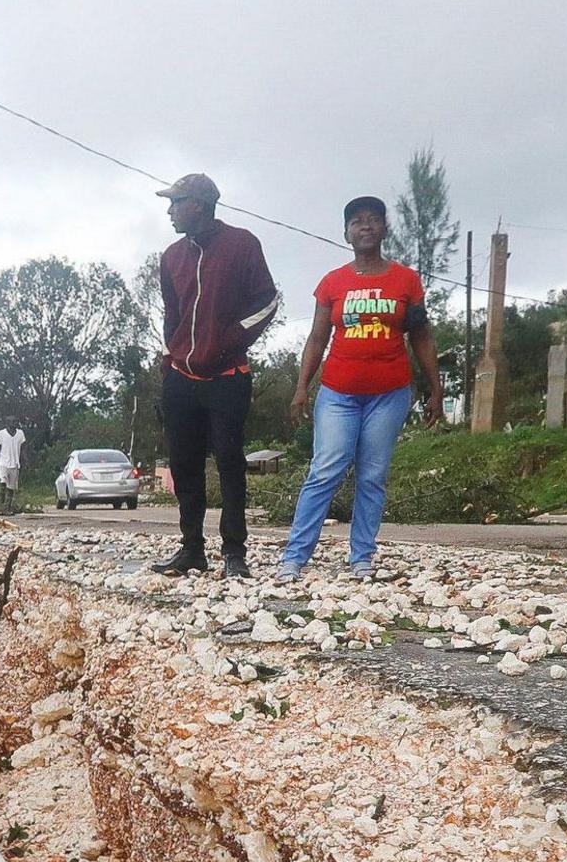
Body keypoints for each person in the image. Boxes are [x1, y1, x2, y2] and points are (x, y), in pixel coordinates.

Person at [279, 195, 442, 578]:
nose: (365, 226)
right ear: (346, 233)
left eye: (373, 219)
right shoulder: (332, 283)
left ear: (385, 228)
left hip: (390, 394)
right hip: (338, 393)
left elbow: (421, 336)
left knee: (372, 474)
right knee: (326, 469)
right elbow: (317, 339)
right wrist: (302, 388)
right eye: (357, 221)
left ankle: (362, 557)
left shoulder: (406, 280)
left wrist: (436, 388)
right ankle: (294, 557)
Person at [148, 173, 279, 580]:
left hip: (228, 374)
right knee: (184, 463)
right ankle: (191, 549)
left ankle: (234, 552)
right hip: (181, 376)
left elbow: (267, 301)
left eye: (177, 202)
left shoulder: (242, 244)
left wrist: (229, 341)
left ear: (199, 205)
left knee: (229, 462)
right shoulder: (170, 256)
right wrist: (173, 353)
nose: (169, 211)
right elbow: (173, 313)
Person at [0, 425, 26, 509]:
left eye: (15, 421)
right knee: (3, 482)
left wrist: (24, 461)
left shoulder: (20, 434)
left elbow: (22, 449)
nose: (13, 423)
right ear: (7, 423)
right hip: (3, 463)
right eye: (11, 421)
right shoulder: (1, 433)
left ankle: (7, 506)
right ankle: (1, 504)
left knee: (11, 488)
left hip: (15, 464)